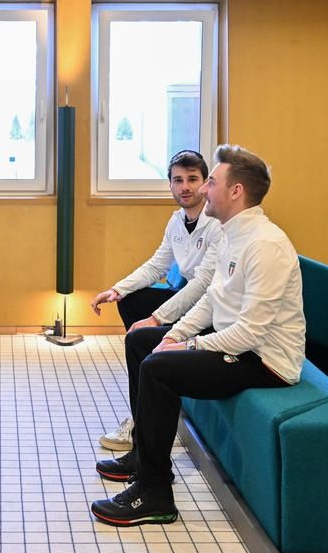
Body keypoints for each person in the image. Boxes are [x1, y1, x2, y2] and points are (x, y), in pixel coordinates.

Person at [90, 144, 305, 527]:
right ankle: (143, 456)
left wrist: (188, 344)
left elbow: (250, 333)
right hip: (238, 344)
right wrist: (172, 333)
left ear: (236, 191)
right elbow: (211, 299)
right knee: (141, 342)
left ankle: (155, 494)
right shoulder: (235, 234)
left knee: (158, 369)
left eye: (211, 181)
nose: (203, 189)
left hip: (266, 363)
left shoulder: (265, 244)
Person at [90, 150, 223, 452]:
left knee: (139, 336)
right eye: (178, 180)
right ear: (170, 185)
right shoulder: (177, 222)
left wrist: (157, 318)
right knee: (130, 301)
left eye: (192, 179)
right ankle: (150, 391)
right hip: (187, 298)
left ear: (205, 184)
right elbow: (156, 266)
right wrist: (117, 290)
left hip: (210, 309)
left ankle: (145, 417)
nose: (185, 187)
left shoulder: (216, 224)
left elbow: (203, 283)